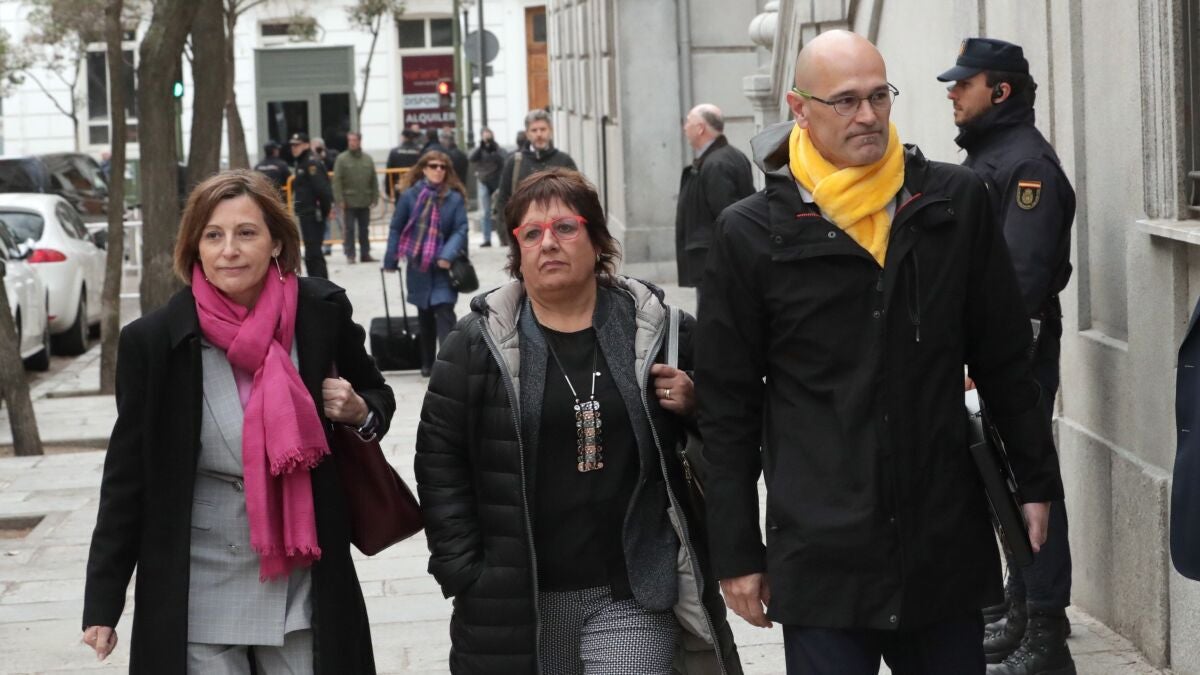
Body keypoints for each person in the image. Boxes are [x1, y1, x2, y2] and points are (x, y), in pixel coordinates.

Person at [695, 30, 1064, 675]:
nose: (866, 115)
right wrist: (736, 551)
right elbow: (727, 406)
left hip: (941, 544)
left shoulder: (953, 202)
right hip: (822, 554)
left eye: (878, 96)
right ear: (799, 108)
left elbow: (1005, 360)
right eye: (845, 101)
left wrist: (1034, 481)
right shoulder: (750, 233)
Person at [415, 167, 742, 674]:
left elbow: (738, 423)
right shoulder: (474, 346)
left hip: (632, 589)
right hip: (520, 597)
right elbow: (440, 462)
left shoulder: (659, 331)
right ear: (517, 251)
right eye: (531, 233)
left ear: (597, 240)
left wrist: (697, 402)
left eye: (565, 227)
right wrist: (464, 569)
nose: (548, 243)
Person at [81, 169, 395, 673]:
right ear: (195, 249)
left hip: (302, 567)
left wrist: (360, 411)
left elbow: (377, 395)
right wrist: (103, 600)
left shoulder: (320, 313)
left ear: (276, 243)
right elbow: (127, 475)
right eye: (213, 236)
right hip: (200, 578)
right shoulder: (156, 341)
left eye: (246, 233)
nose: (229, 250)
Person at [939, 37, 1077, 675]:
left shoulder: (1026, 166)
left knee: (1028, 479)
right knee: (1003, 480)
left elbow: (1020, 281)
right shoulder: (992, 154)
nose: (952, 92)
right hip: (989, 350)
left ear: (999, 91)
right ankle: (1023, 607)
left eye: (964, 83)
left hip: (1013, 353)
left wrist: (990, 361)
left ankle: (1045, 626)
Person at [382, 151, 469, 377]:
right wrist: (391, 258)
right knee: (425, 314)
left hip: (444, 268)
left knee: (445, 311)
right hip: (418, 266)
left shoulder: (454, 198)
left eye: (442, 166)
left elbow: (461, 229)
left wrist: (447, 255)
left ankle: (449, 365)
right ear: (423, 169)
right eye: (433, 166)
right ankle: (428, 363)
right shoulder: (410, 196)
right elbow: (396, 227)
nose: (438, 170)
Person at [675, 103, 754, 309]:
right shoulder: (729, 156)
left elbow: (727, 216)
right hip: (716, 260)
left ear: (700, 128)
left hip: (715, 262)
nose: (685, 127)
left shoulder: (717, 164)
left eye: (688, 122)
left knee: (715, 315)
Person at [493, 110, 578, 246]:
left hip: (560, 238)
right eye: (534, 130)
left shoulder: (564, 161)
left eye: (543, 129)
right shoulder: (514, 163)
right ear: (527, 133)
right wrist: (508, 236)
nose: (539, 134)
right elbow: (503, 201)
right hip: (525, 239)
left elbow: (578, 198)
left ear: (550, 131)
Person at [289, 133, 333, 279]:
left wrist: (326, 210)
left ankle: (320, 282)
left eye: (297, 145)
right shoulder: (302, 162)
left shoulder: (311, 162)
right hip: (306, 212)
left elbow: (322, 189)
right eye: (292, 145)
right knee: (311, 251)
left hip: (313, 213)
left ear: (306, 145)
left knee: (314, 252)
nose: (294, 148)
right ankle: (315, 280)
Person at [332, 131, 380, 264]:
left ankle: (365, 254)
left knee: (364, 229)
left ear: (359, 141)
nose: (352, 143)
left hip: (364, 200)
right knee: (349, 229)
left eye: (354, 140)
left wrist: (375, 197)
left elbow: (374, 180)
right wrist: (339, 199)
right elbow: (337, 181)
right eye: (350, 140)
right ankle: (350, 254)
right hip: (349, 201)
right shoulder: (342, 159)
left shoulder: (367, 159)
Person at [469, 127, 506, 247]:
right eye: (484, 134)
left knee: (500, 210)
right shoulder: (480, 149)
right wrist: (481, 146)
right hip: (483, 181)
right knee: (485, 212)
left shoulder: (497, 148)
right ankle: (487, 239)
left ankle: (503, 237)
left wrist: (494, 148)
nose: (487, 136)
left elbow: (503, 158)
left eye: (488, 134)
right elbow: (471, 158)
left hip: (497, 182)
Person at [311, 138, 340, 256]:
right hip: (319, 195)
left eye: (318, 146)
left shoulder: (332, 154)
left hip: (333, 192)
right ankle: (326, 247)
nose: (316, 149)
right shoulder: (310, 158)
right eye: (314, 147)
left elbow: (335, 167)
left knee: (340, 220)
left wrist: (325, 157)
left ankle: (347, 245)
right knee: (324, 222)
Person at [386, 128, 422, 197]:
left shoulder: (394, 152)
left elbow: (389, 171)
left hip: (399, 186)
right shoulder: (420, 151)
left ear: (403, 137)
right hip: (416, 186)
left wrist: (388, 190)